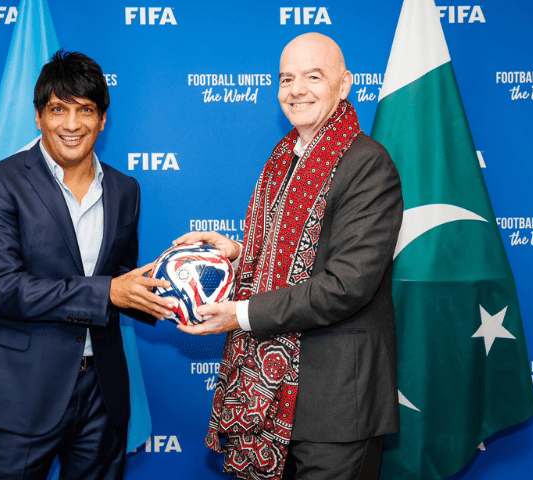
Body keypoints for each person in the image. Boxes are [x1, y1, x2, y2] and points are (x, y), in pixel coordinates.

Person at [175, 33, 403, 480]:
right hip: (270, 402)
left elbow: (345, 286)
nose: (297, 90)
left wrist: (240, 314)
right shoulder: (283, 158)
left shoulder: (368, 163)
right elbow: (288, 257)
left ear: (344, 85)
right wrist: (238, 257)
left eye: (313, 77)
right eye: (286, 79)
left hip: (337, 407)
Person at [0, 50, 173, 480]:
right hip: (22, 390)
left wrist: (178, 292)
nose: (72, 124)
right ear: (39, 116)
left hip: (103, 392)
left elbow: (122, 278)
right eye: (59, 109)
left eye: (86, 110)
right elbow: (4, 288)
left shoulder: (125, 189)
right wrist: (108, 292)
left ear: (103, 119)